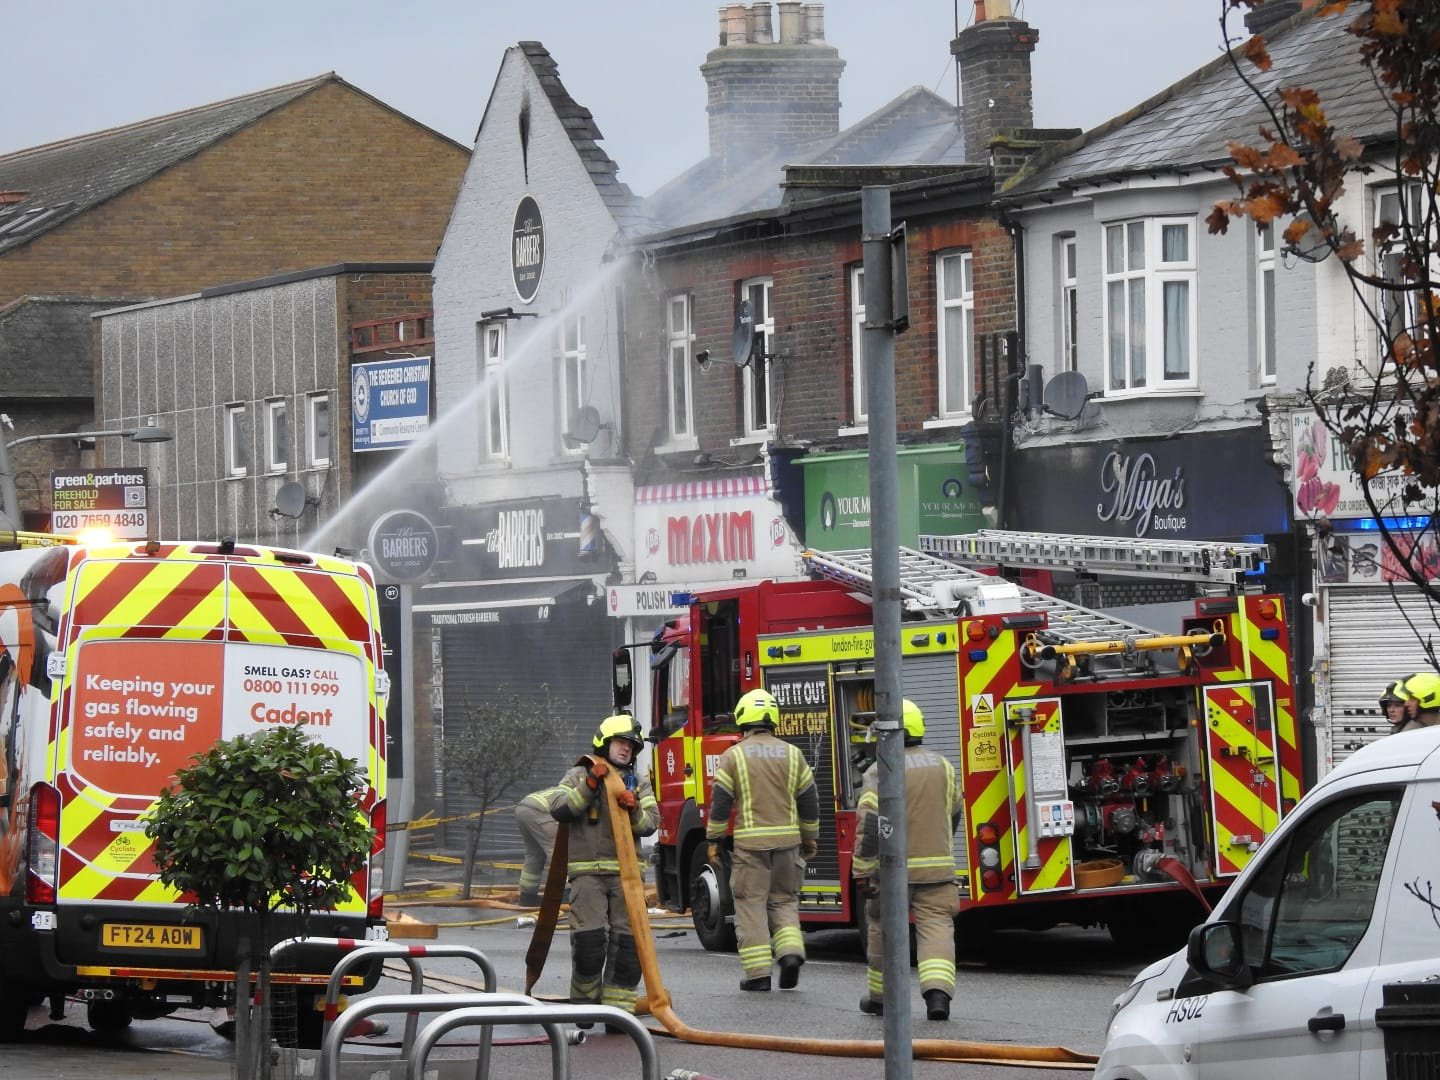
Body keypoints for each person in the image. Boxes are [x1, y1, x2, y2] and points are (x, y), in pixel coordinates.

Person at [852, 698, 961, 1022]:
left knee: (882, 927)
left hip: (893, 872)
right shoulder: (943, 765)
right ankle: (937, 996)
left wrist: (862, 870)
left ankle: (881, 998)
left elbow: (871, 825)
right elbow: (953, 812)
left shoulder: (879, 770)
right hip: (937, 870)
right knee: (937, 929)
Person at [705, 687, 819, 992]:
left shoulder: (733, 757)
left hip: (750, 848)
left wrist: (714, 840)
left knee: (750, 905)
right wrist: (810, 838)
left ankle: (758, 975)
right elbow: (809, 801)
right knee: (784, 901)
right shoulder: (793, 755)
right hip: (788, 844)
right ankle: (791, 952)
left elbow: (720, 804)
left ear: (742, 719)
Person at [548, 713, 657, 1023]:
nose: (626, 750)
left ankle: (619, 1017)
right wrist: (590, 785)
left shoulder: (638, 783)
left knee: (627, 949)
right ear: (604, 743)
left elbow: (651, 825)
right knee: (589, 945)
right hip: (589, 876)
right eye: (621, 743)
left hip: (628, 879)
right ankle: (584, 1011)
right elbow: (559, 808)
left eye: (631, 746)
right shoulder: (578, 774)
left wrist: (633, 809)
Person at [513, 784, 564, 906]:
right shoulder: (578, 793)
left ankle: (527, 896)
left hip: (522, 808)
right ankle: (566, 893)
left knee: (534, 854)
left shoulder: (560, 789)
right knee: (559, 851)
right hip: (538, 812)